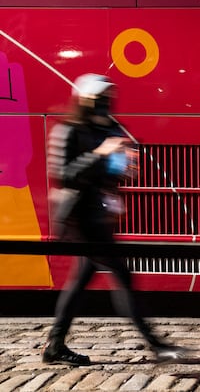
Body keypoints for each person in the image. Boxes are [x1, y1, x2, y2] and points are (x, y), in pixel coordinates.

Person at [43, 73, 185, 366]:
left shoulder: (108, 129)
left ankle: (55, 345)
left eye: (108, 97)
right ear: (85, 100)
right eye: (99, 98)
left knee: (80, 281)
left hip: (100, 216)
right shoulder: (69, 131)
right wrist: (99, 153)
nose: (106, 104)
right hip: (81, 219)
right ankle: (156, 345)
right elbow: (64, 175)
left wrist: (123, 166)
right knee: (123, 276)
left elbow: (107, 174)